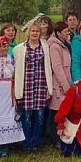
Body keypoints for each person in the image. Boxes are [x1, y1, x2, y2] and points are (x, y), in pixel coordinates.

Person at [14, 23, 53, 153]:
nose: (35, 33)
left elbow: (48, 67)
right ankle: (27, 142)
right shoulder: (20, 49)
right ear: (28, 33)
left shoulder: (45, 47)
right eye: (33, 31)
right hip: (27, 86)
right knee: (26, 116)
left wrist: (49, 87)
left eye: (37, 31)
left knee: (40, 116)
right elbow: (17, 70)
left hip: (41, 85)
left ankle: (36, 142)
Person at [48, 21, 73, 140]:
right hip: (59, 84)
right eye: (65, 31)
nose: (68, 33)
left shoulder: (65, 44)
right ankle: (56, 138)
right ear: (58, 33)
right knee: (58, 112)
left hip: (67, 80)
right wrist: (65, 86)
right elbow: (57, 67)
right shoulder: (54, 46)